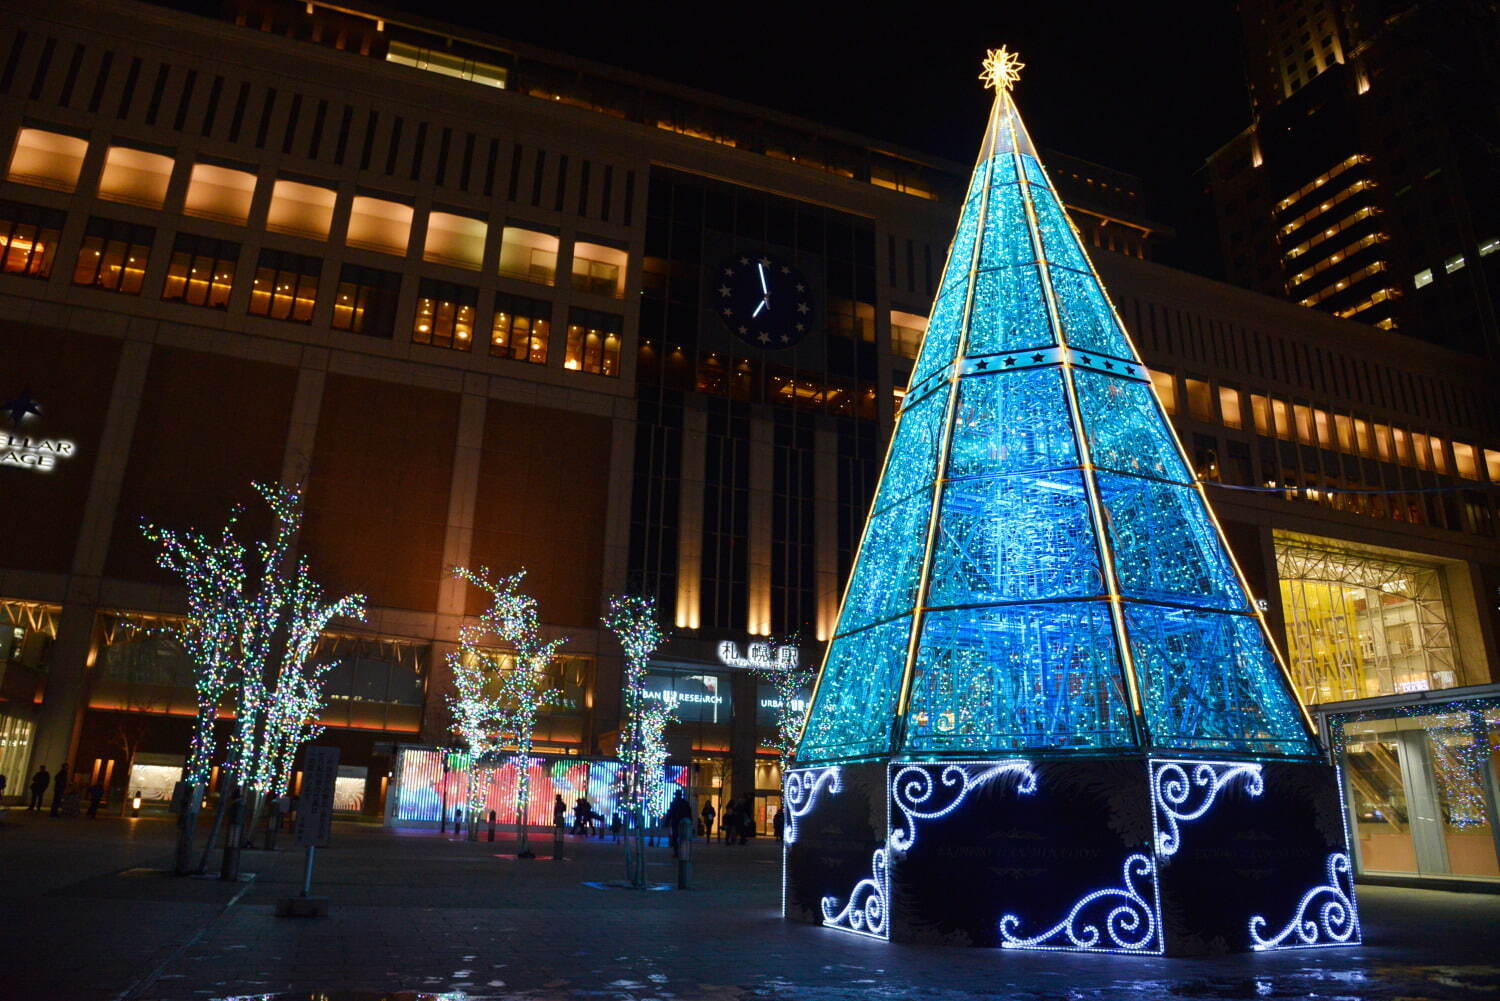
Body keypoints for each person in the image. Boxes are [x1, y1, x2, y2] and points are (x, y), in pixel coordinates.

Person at [664, 791, 691, 857]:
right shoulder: (685, 803)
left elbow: (670, 813)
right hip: (682, 822)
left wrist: (666, 822)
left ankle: (677, 851)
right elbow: (689, 814)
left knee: (676, 837)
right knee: (682, 837)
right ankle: (681, 851)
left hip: (676, 822)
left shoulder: (674, 803)